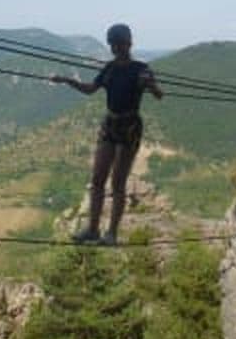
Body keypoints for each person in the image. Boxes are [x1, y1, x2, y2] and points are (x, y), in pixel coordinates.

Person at [51, 23, 163, 245]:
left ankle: (111, 233)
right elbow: (91, 89)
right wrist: (67, 81)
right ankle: (93, 230)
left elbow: (160, 95)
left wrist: (150, 85)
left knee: (118, 183)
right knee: (97, 180)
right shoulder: (110, 68)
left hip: (129, 126)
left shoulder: (141, 68)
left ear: (128, 43)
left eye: (119, 43)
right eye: (113, 44)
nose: (115, 48)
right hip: (110, 123)